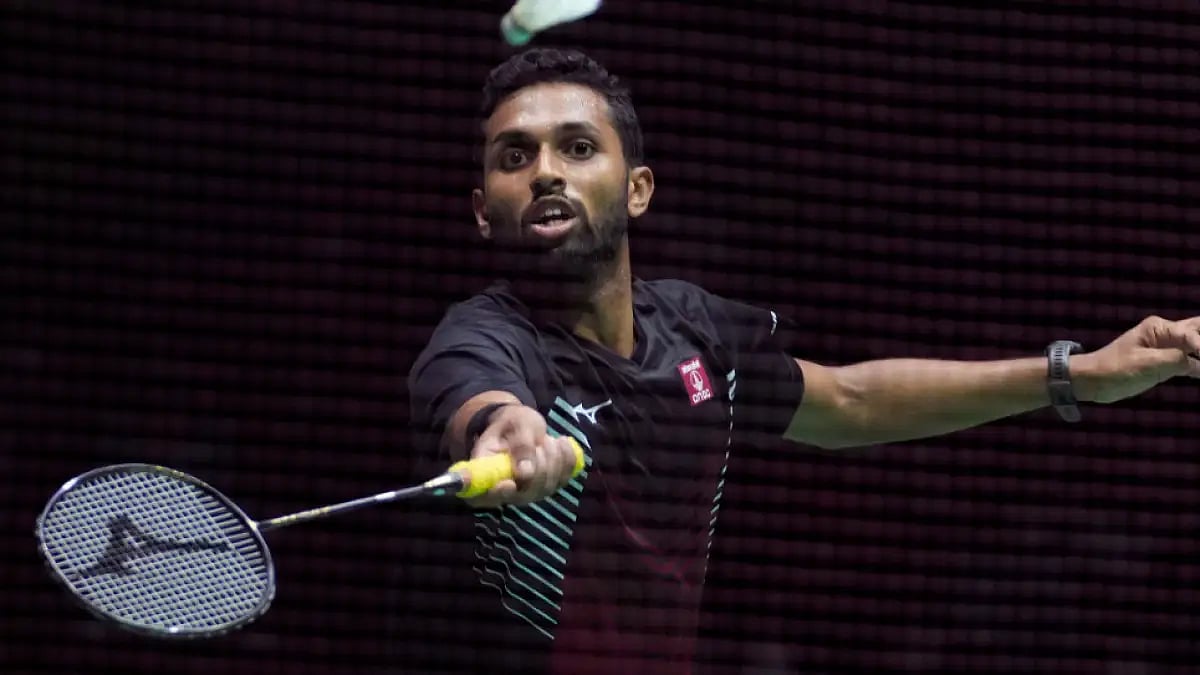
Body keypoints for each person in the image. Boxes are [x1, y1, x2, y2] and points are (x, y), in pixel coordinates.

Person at [407, 47, 1200, 674]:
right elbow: (482, 399)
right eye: (514, 157)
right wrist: (509, 432)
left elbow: (849, 401)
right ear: (483, 210)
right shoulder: (483, 336)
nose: (545, 170)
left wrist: (1083, 375)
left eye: (577, 148)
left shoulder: (695, 332)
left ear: (638, 188)